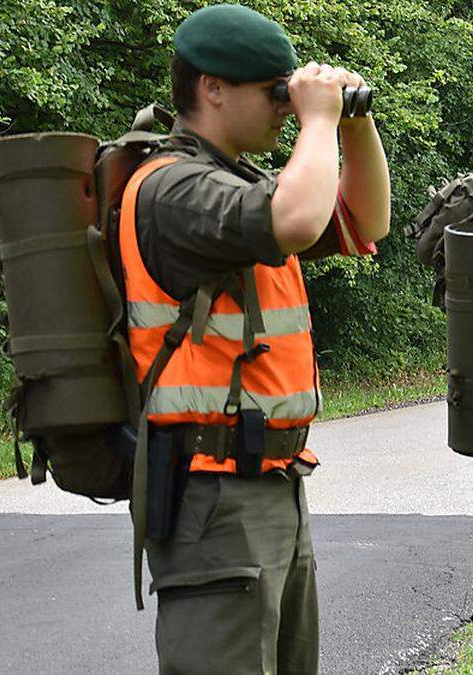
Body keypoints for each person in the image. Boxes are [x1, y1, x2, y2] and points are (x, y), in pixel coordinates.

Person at [119, 5, 389, 673]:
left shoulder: (244, 185)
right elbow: (296, 218)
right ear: (211, 88)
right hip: (213, 500)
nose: (284, 107)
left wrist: (353, 123)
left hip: (271, 485)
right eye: (272, 92)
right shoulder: (173, 189)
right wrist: (318, 119)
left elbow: (365, 216)